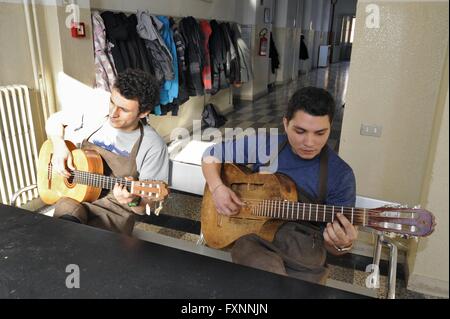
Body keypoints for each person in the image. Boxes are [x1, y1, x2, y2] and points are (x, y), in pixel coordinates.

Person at [201, 86, 358, 283]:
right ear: (286, 123)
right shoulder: (267, 145)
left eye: (320, 133)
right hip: (254, 241)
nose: (309, 142)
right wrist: (217, 188)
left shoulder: (340, 175)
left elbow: (334, 248)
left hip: (302, 253)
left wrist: (340, 244)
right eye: (300, 131)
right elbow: (210, 155)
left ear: (331, 126)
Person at [46, 69, 169, 235]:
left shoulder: (152, 145)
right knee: (63, 228)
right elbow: (54, 121)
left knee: (81, 242)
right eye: (112, 102)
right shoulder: (95, 112)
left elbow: (146, 206)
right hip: (74, 199)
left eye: (124, 110)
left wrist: (132, 201)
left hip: (113, 213)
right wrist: (59, 145)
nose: (113, 113)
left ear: (143, 113)